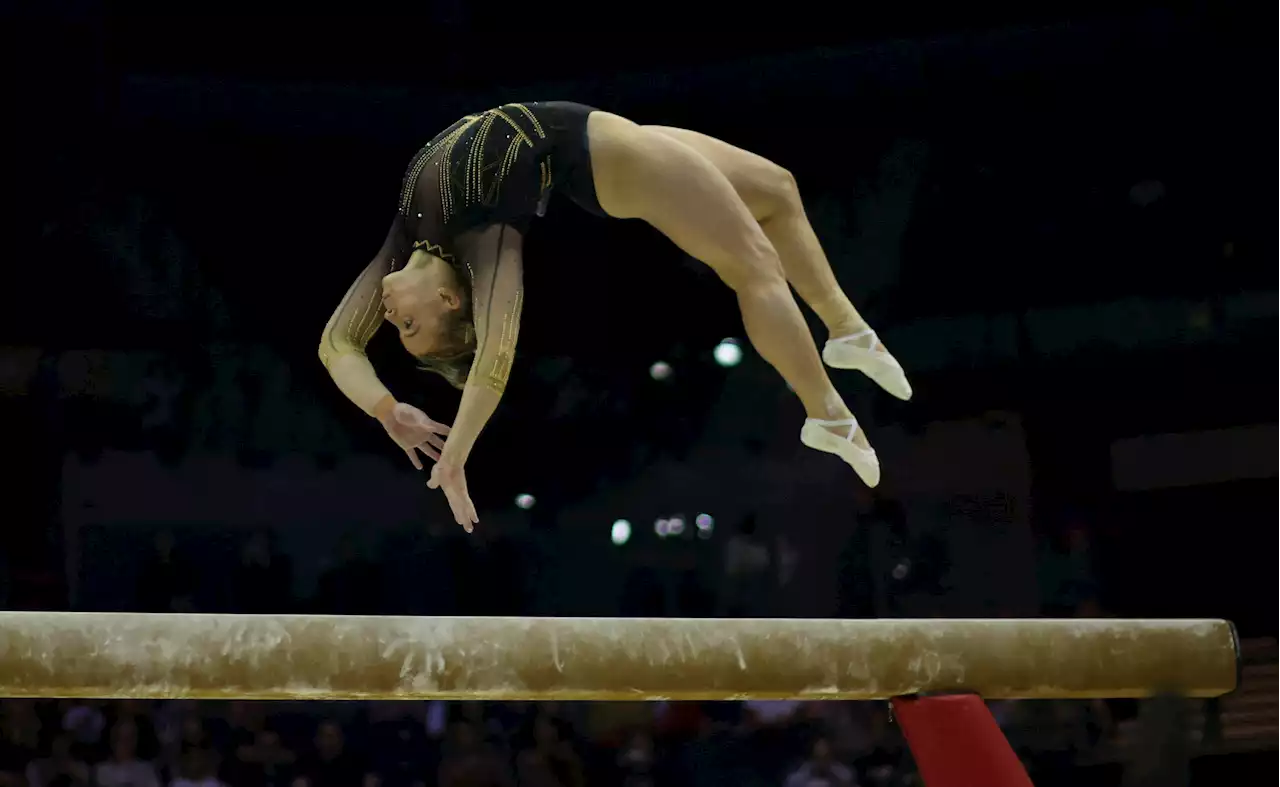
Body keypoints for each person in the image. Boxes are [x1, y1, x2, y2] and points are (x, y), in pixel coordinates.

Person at [319, 101, 912, 529]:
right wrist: (456, 455)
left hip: (602, 134)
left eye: (399, 326)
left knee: (776, 189)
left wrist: (387, 409)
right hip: (608, 161)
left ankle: (846, 330)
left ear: (446, 301)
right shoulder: (484, 241)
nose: (391, 317)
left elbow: (338, 345)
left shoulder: (405, 243)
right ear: (454, 300)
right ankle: (826, 413)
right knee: (753, 263)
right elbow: (495, 357)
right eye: (407, 328)